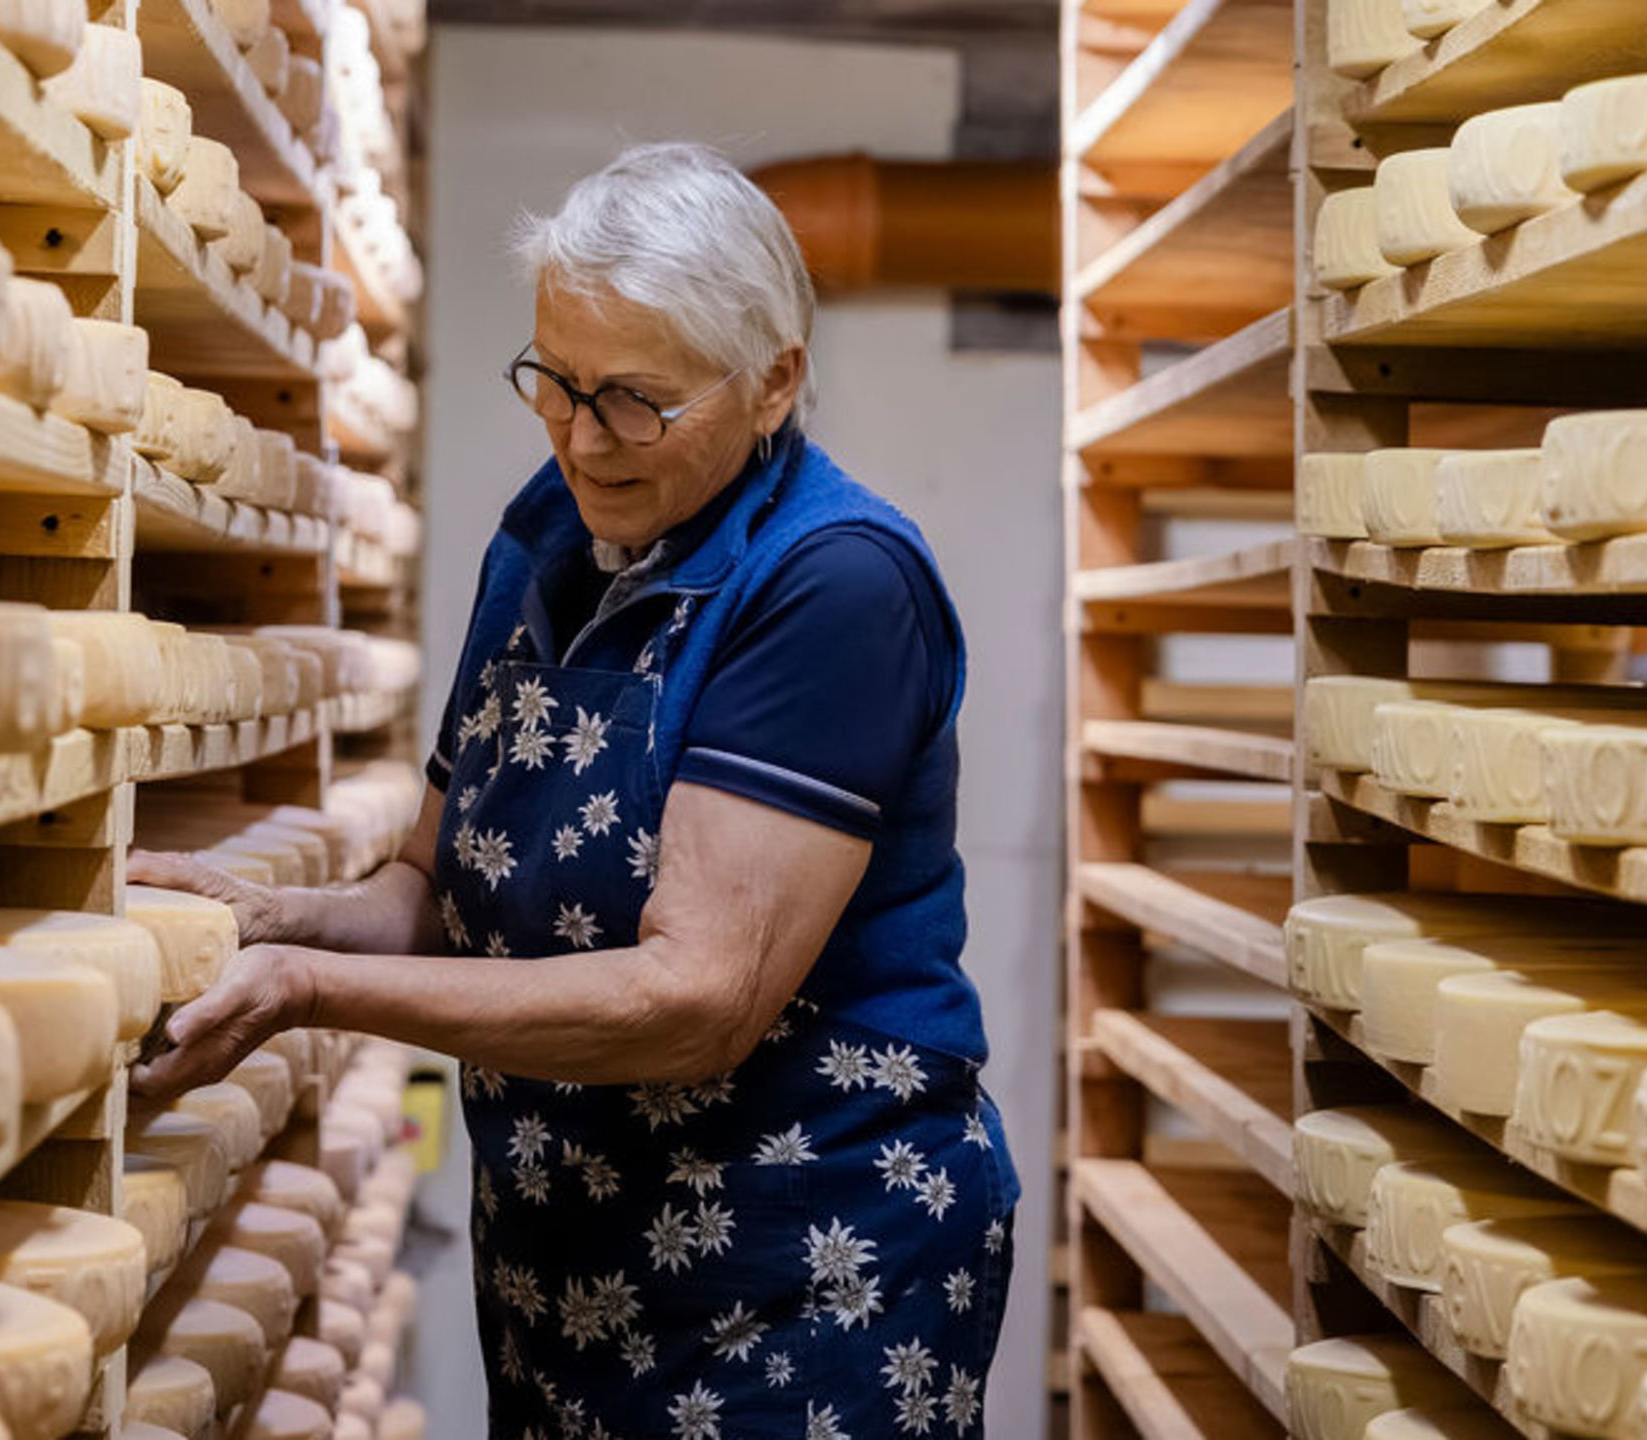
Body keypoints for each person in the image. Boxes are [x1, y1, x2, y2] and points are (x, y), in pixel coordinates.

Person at [130, 140, 1016, 1439]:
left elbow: (696, 1000)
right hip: (574, 1267)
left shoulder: (835, 586)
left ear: (773, 382)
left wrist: (310, 996)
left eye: (636, 402)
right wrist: (271, 921)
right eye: (556, 382)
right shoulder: (551, 532)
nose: (582, 439)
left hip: (805, 1277)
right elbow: (434, 889)